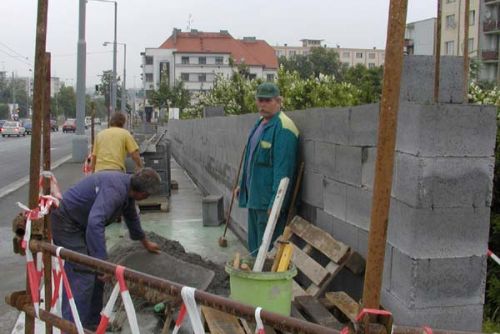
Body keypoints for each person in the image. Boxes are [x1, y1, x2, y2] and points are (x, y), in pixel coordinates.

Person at [50, 168, 162, 329]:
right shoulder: (115, 190)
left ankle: (92, 324)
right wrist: (102, 263)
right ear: (143, 193)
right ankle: (71, 328)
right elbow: (95, 223)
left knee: (96, 275)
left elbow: (131, 218)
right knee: (83, 275)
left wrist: (145, 242)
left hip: (81, 224)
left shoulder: (127, 189)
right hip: (67, 223)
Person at [236, 82, 299, 255]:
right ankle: (255, 281)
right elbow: (252, 161)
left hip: (268, 204)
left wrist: (276, 203)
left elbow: (283, 171)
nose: (262, 104)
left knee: (266, 252)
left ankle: (265, 281)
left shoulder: (284, 128)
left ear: (278, 101)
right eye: (260, 100)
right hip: (254, 199)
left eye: (267, 101)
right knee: (254, 250)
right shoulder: (259, 124)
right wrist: (243, 187)